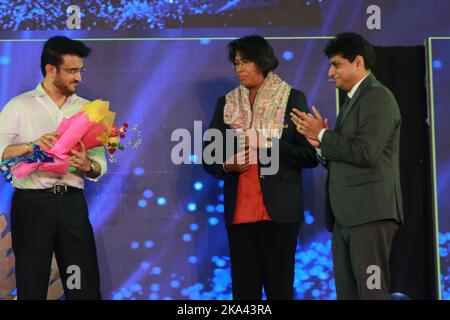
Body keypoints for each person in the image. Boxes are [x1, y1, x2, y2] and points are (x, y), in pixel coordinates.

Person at [203, 35, 318, 300]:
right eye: (236, 63)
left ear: (263, 62)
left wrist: (268, 144)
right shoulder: (227, 103)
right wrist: (227, 165)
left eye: (246, 61)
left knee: (279, 290)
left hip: (279, 213)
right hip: (241, 213)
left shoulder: (291, 98)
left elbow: (309, 156)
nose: (239, 68)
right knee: (244, 294)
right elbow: (208, 158)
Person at [291, 32, 403, 299]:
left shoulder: (377, 96)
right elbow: (348, 157)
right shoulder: (354, 100)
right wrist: (321, 146)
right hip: (347, 216)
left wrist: (323, 135)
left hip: (369, 213)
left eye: (336, 64)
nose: (330, 73)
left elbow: (366, 152)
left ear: (358, 62)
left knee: (371, 293)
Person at [0, 36, 107, 300]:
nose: (79, 77)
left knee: (82, 284)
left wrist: (88, 165)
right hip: (32, 204)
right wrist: (30, 146)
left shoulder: (87, 110)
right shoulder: (19, 106)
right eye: (72, 70)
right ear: (50, 69)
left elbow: (99, 164)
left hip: (72, 205)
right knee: (32, 284)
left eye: (81, 70)